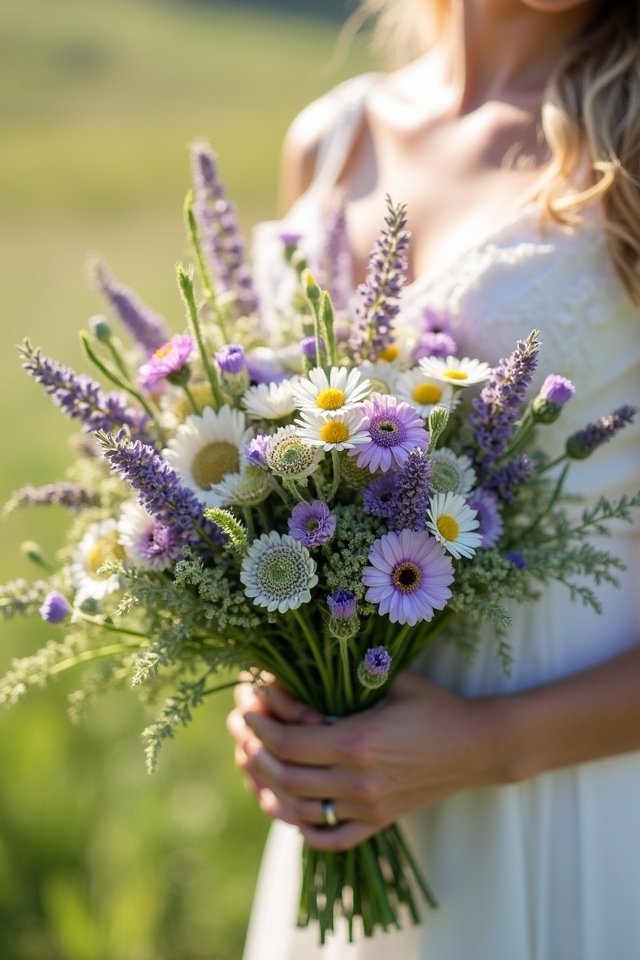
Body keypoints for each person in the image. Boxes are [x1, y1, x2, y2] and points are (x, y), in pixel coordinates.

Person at [227, 2, 640, 957]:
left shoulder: (630, 150)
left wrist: (486, 745)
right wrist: (276, 677)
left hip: (575, 794)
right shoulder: (333, 138)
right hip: (354, 793)